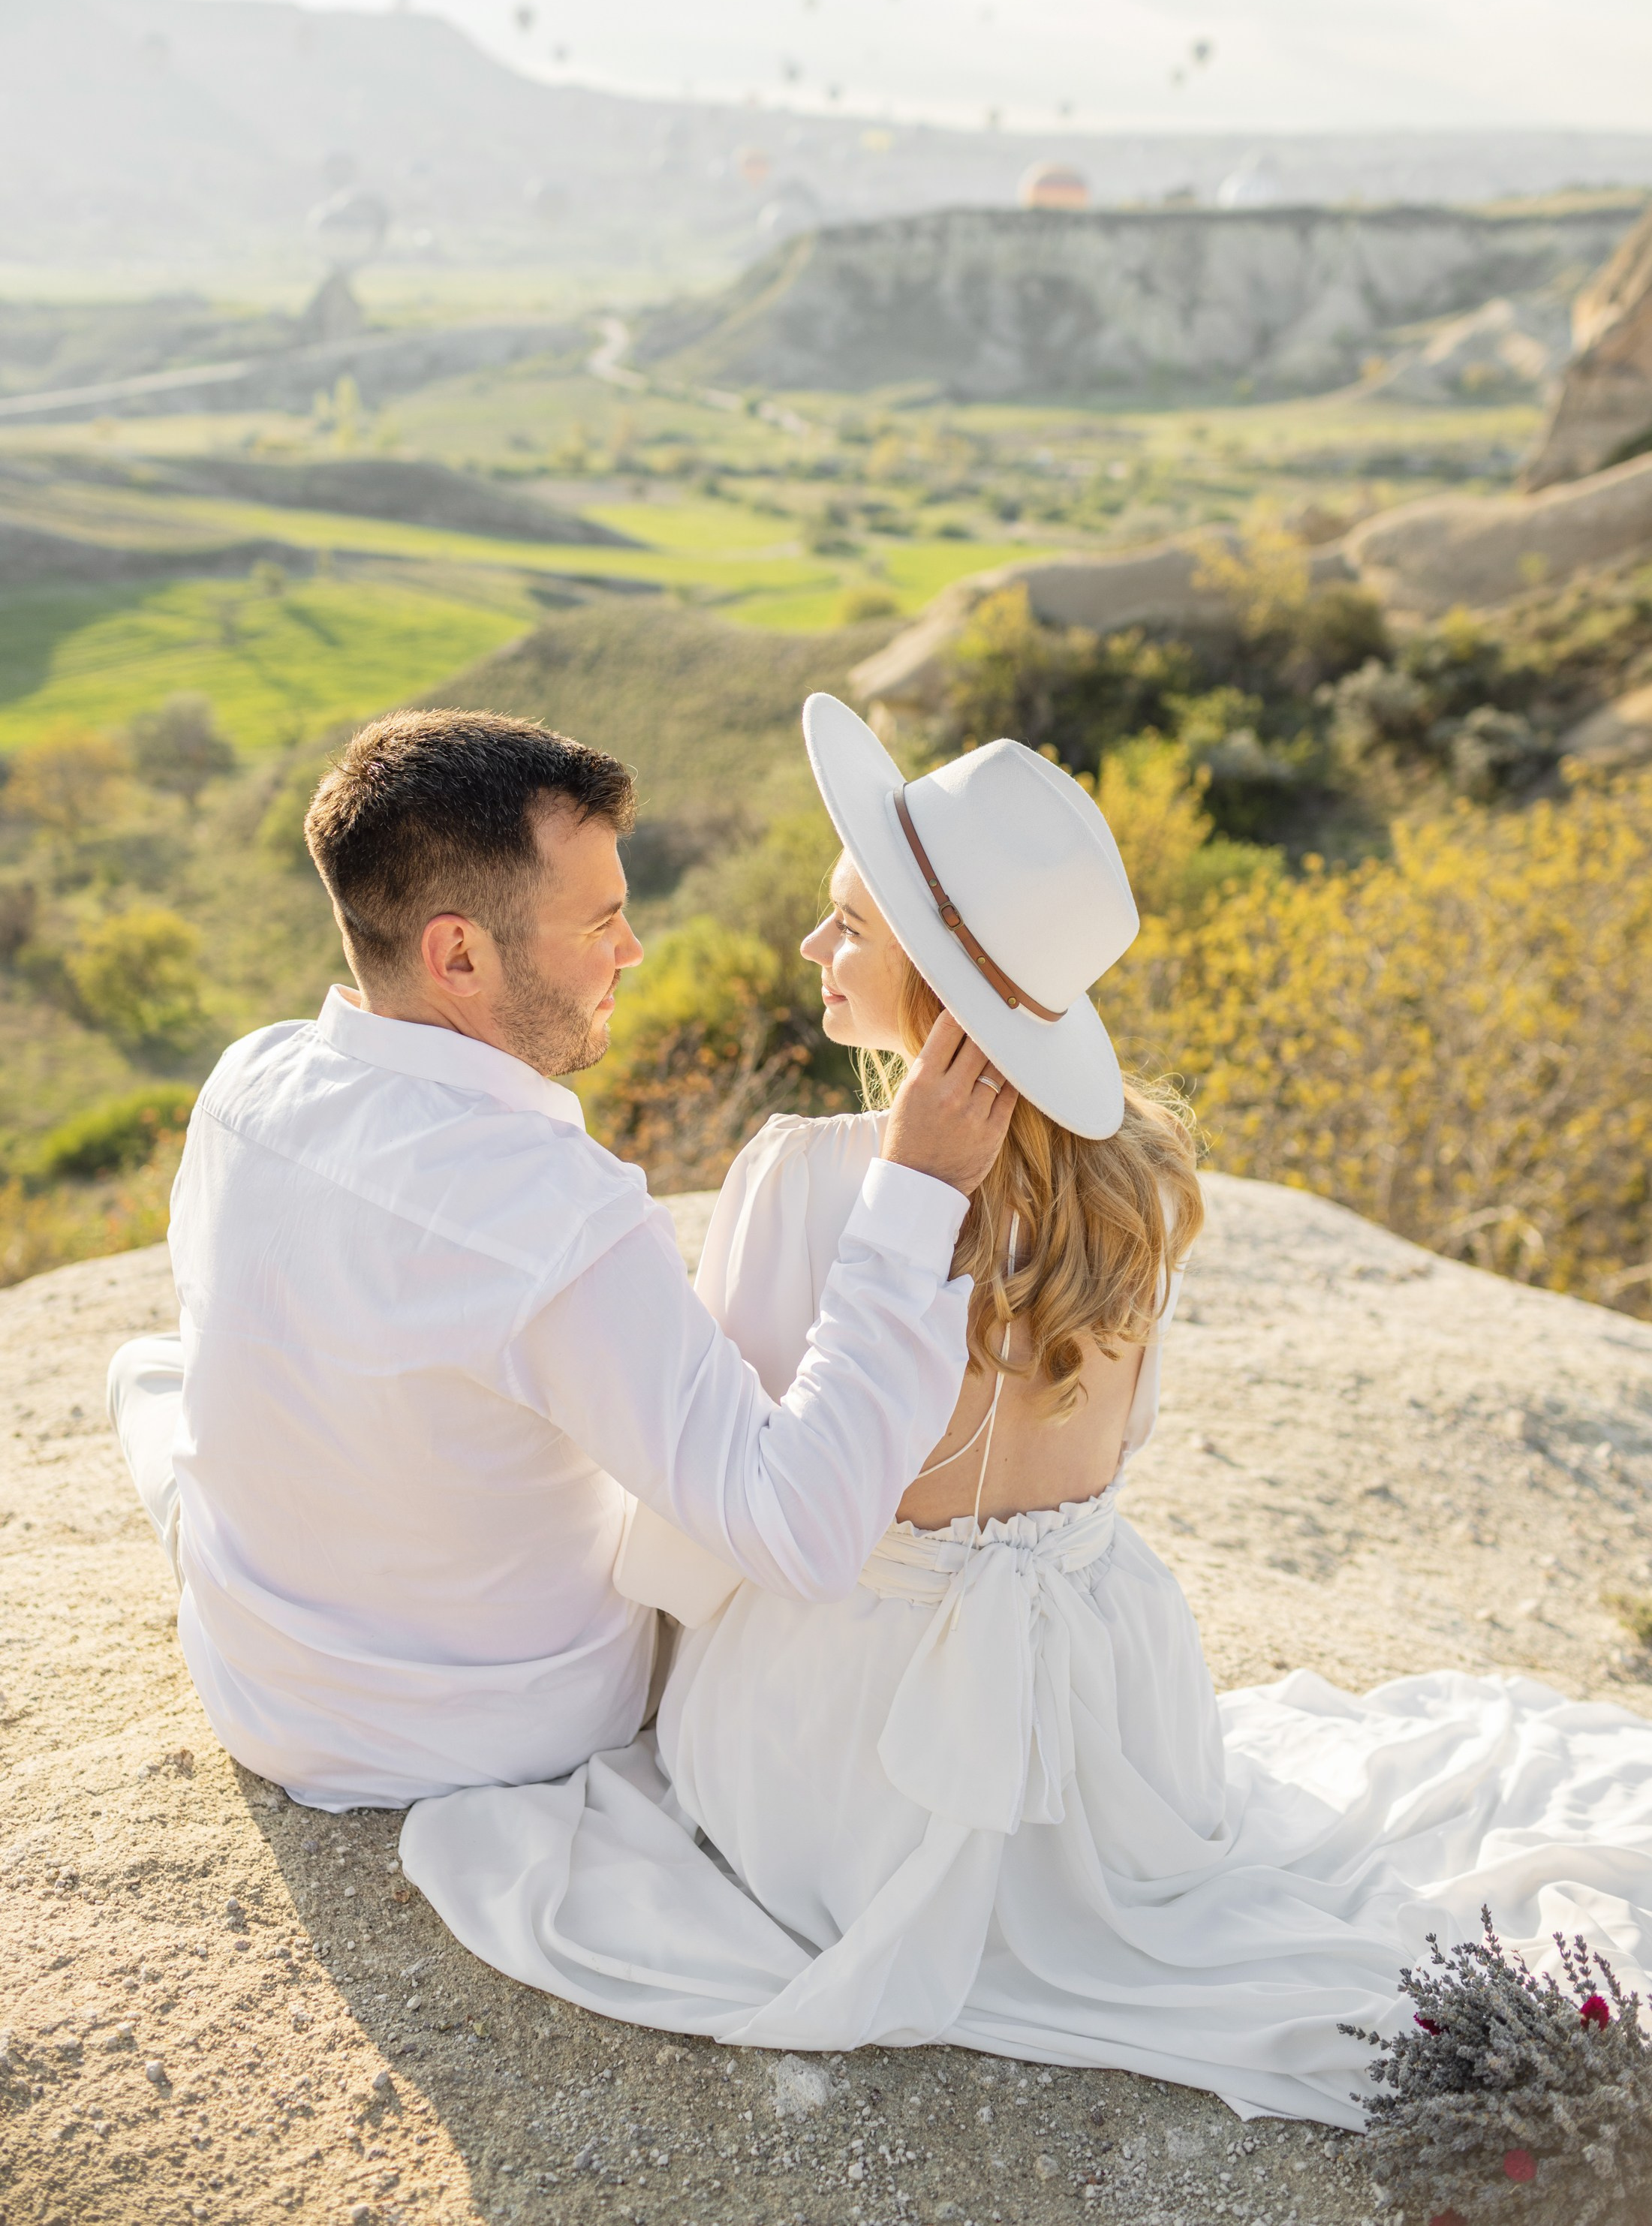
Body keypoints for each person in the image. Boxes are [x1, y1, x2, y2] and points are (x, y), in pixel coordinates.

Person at [402, 694, 1652, 2128]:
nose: (815, 948)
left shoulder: (804, 1176)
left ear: (933, 980)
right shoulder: (1140, 1176)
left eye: (848, 926)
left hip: (850, 1738)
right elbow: (1120, 1448)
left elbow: (737, 1500)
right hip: (1110, 1716)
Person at [105, 708, 1016, 1812]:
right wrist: (913, 1194)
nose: (631, 952)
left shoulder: (245, 1082)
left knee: (162, 1374)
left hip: (255, 1691)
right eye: (601, 924)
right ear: (458, 954)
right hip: (495, 1732)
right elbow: (803, 1534)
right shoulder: (554, 1213)